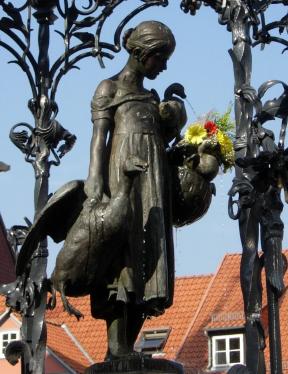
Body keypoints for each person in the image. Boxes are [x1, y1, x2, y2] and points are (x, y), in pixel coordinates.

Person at [84, 20, 182, 359]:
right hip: (122, 175)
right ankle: (116, 346)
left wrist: (174, 124)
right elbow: (99, 141)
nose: (164, 65)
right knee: (122, 256)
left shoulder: (151, 97)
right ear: (142, 53)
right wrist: (95, 184)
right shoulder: (109, 88)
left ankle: (126, 346)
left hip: (154, 181)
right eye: (161, 57)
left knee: (150, 258)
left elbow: (162, 140)